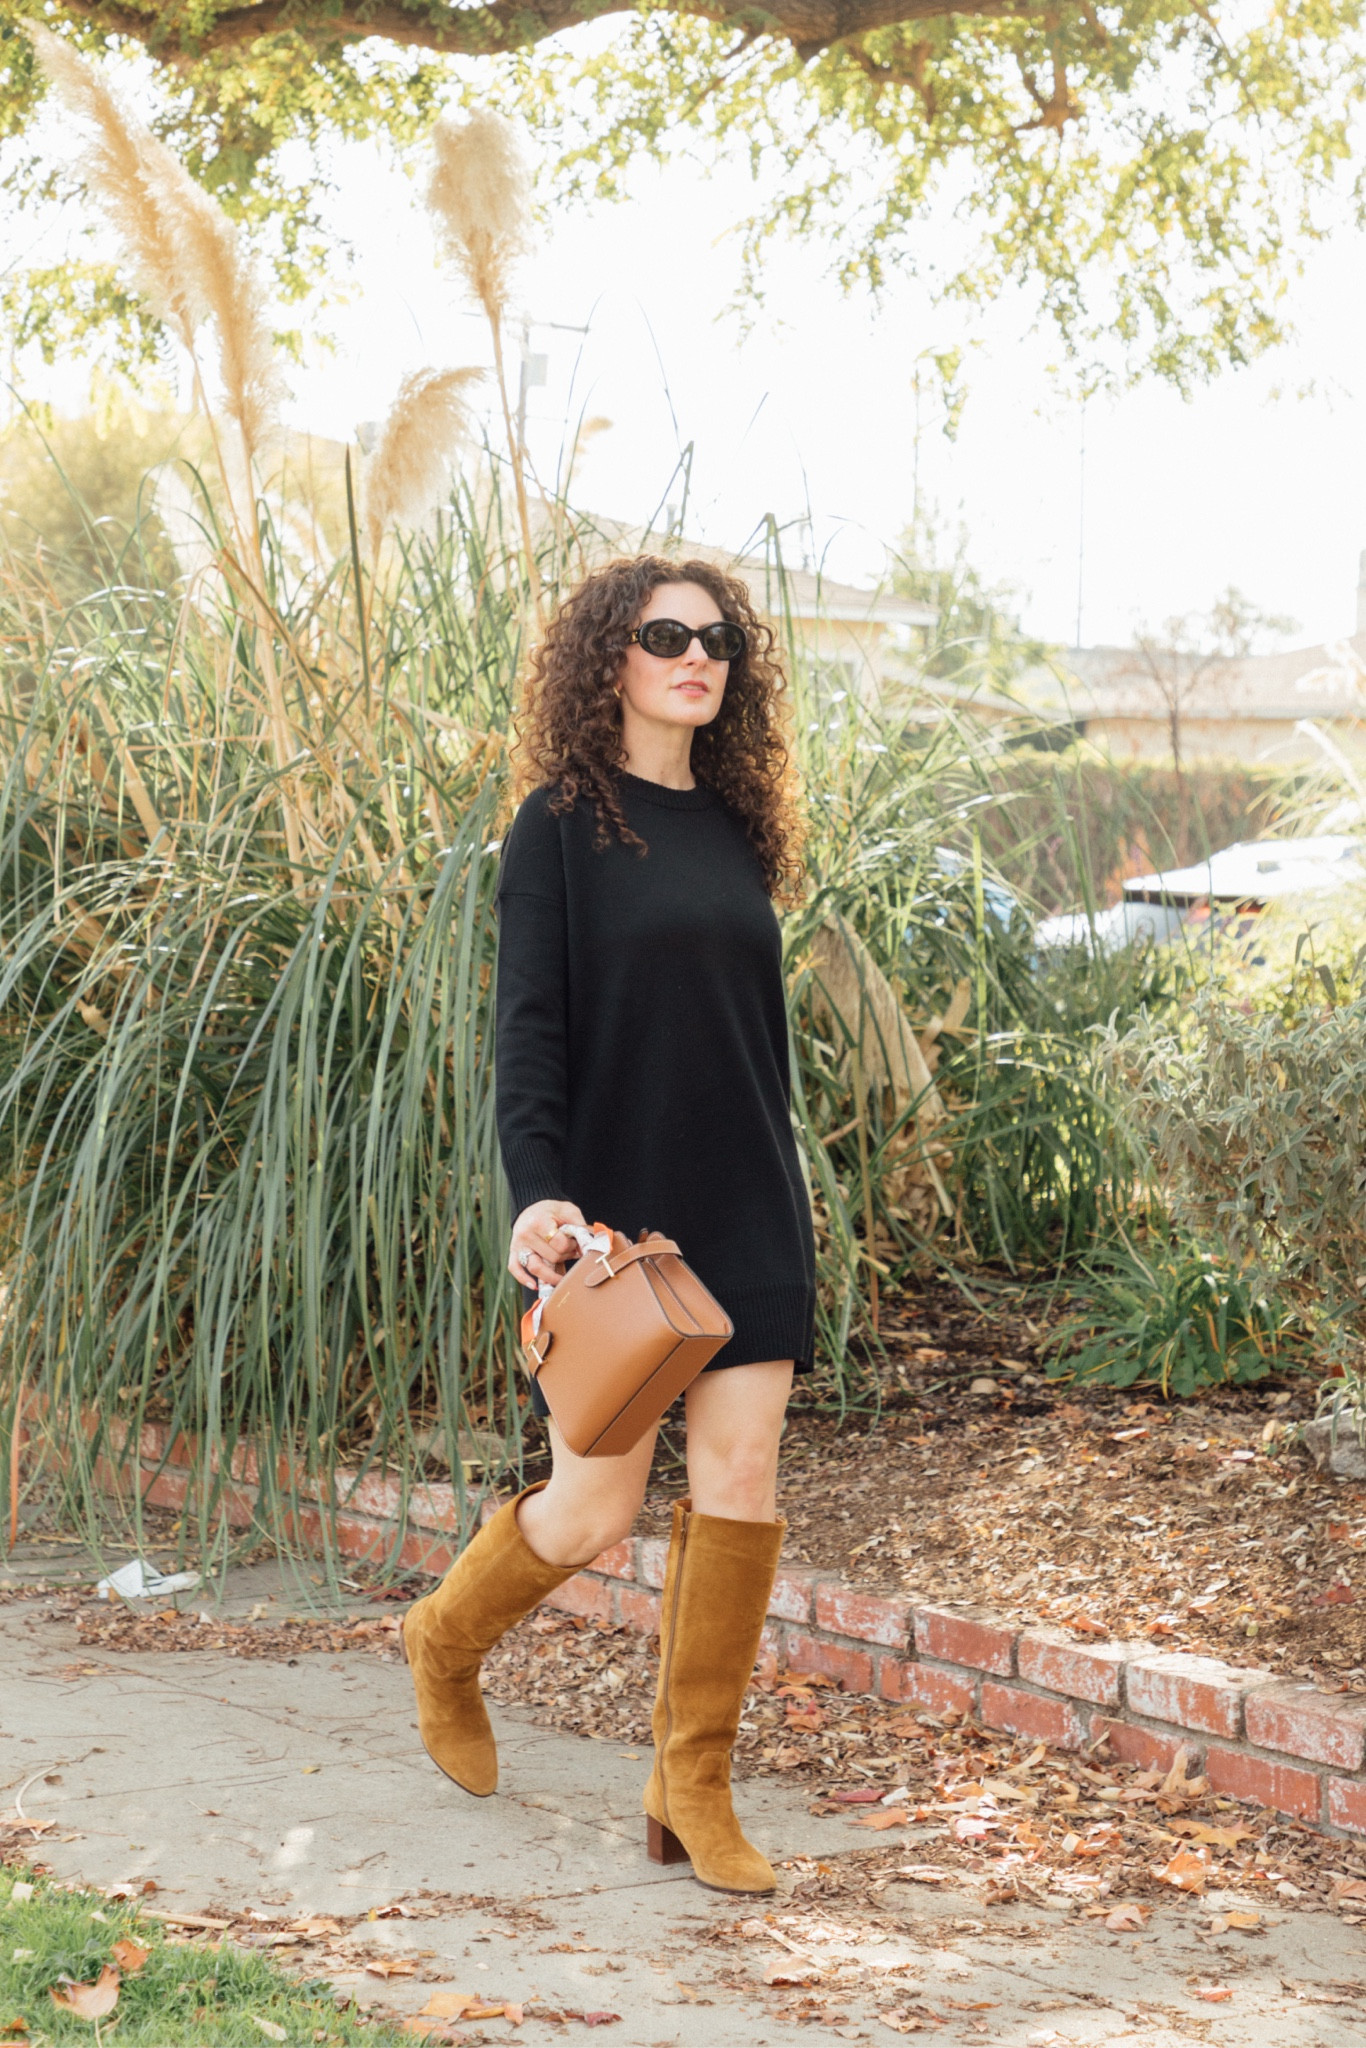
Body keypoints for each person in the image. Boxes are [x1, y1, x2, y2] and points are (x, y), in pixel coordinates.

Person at [402, 555, 814, 1895]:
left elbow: (748, 1037)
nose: (696, 656)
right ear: (610, 659)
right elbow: (529, 1033)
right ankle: (445, 1642)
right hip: (622, 1222)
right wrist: (541, 1196)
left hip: (745, 1194)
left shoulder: (736, 827)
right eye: (663, 635)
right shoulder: (558, 825)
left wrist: (786, 1186)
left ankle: (690, 1783)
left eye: (717, 639)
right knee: (588, 1512)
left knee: (740, 1480)